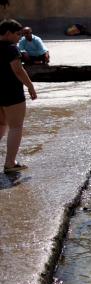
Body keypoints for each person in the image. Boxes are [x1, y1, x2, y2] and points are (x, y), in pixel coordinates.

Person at [0, 19, 37, 174]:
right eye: (17, 34)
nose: (19, 37)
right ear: (8, 33)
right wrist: (30, 86)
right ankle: (10, 163)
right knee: (15, 126)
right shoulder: (11, 49)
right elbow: (18, 70)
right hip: (11, 92)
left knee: (1, 125)